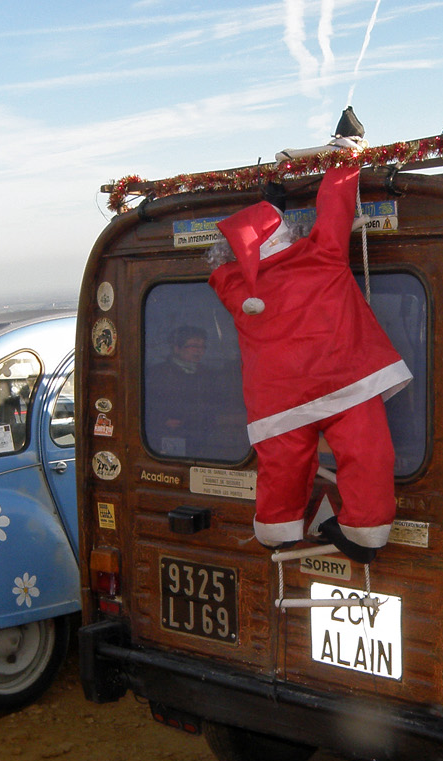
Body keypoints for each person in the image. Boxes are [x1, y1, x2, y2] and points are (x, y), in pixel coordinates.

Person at [209, 162, 410, 562]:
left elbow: (234, 263)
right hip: (347, 382)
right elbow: (335, 207)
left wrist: (269, 206)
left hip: (278, 402)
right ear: (286, 236)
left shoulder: (235, 289)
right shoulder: (321, 255)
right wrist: (344, 159)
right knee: (367, 455)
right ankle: (365, 533)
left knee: (282, 466)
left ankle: (277, 530)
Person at [144, 326, 227, 457]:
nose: (199, 351)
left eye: (202, 347)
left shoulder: (209, 374)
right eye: (193, 346)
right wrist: (162, 421)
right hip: (168, 437)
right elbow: (145, 406)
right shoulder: (158, 373)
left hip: (202, 438)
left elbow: (218, 404)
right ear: (176, 348)